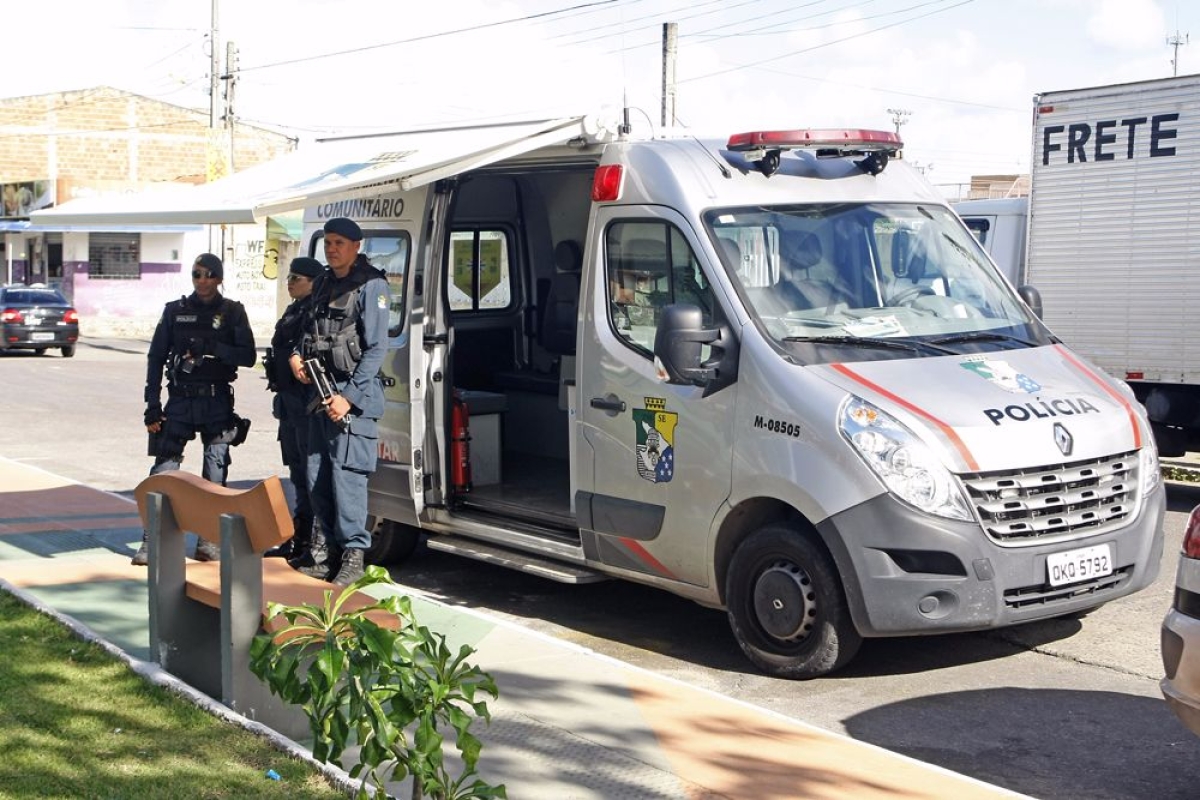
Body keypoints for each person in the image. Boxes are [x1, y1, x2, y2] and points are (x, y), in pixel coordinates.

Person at [133, 253, 257, 566]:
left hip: (216, 401)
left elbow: (248, 356)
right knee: (164, 470)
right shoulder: (175, 311)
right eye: (197, 274)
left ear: (219, 278)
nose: (202, 280)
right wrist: (152, 404)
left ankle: (209, 540)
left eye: (209, 274)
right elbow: (155, 358)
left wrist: (214, 349)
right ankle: (152, 541)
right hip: (181, 400)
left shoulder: (233, 312)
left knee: (215, 472)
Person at [288, 218, 391, 586]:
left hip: (351, 399)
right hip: (320, 394)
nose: (332, 249)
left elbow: (377, 348)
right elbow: (309, 332)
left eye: (340, 243)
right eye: (328, 242)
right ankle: (326, 553)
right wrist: (297, 357)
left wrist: (348, 398)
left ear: (356, 246)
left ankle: (353, 557)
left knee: (348, 480)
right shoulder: (325, 283)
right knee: (317, 476)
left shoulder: (372, 285)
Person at [263, 256, 324, 562]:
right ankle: (299, 540)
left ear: (313, 282)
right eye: (288, 277)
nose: (289, 282)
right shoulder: (293, 310)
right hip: (288, 403)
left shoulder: (316, 312)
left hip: (305, 403)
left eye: (296, 278)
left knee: (309, 474)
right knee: (297, 473)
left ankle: (313, 544)